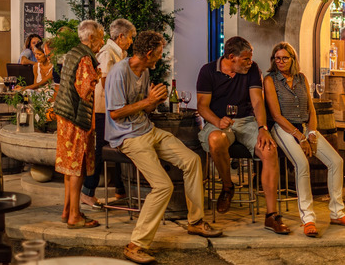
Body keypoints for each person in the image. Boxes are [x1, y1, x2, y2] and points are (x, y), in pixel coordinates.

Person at [107, 31, 221, 264]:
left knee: (192, 161)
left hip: (148, 130)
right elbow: (115, 113)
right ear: (149, 53)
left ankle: (195, 222)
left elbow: (146, 111)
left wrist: (155, 102)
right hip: (128, 137)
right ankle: (135, 244)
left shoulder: (146, 71)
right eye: (159, 54)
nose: (160, 58)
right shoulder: (119, 72)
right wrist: (147, 101)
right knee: (162, 186)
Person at [264, 42, 345, 237]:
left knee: (336, 162)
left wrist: (311, 134)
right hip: (284, 129)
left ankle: (337, 213)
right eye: (277, 58)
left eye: (284, 58)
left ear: (293, 59)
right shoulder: (270, 80)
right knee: (302, 165)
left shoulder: (301, 78)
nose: (280, 61)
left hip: (305, 128)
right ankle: (308, 219)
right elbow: (276, 115)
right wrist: (300, 137)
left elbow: (311, 109)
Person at [196, 36, 290, 235]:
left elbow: (257, 101)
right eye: (245, 59)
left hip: (247, 121)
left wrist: (263, 128)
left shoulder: (252, 69)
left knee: (269, 149)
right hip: (219, 122)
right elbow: (202, 106)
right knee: (216, 139)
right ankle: (228, 186)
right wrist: (217, 121)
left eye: (250, 58)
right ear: (232, 57)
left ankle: (271, 216)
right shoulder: (208, 71)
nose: (250, 62)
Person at [53, 20, 104, 229]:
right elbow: (84, 90)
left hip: (65, 117)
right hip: (76, 118)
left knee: (70, 167)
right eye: (101, 38)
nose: (102, 43)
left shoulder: (73, 52)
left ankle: (68, 211)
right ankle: (74, 215)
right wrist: (97, 77)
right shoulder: (85, 58)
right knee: (77, 166)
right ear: (91, 38)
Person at [81, 18, 136, 208]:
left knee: (116, 143)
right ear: (120, 37)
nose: (131, 41)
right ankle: (88, 191)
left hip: (111, 108)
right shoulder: (107, 53)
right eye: (130, 37)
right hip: (103, 109)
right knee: (99, 150)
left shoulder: (119, 52)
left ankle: (121, 189)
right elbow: (106, 81)